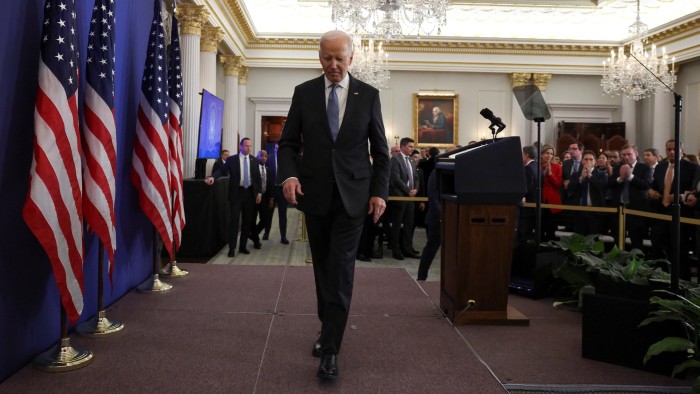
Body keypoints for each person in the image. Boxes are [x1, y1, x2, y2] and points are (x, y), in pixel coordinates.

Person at [277, 30, 390, 381]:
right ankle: (328, 331)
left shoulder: (368, 95)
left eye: (340, 58)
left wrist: (379, 193)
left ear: (352, 58)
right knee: (322, 269)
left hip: (353, 198)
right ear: (319, 57)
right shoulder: (304, 93)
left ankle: (330, 352)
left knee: (341, 270)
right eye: (327, 58)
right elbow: (287, 144)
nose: (334, 65)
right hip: (315, 195)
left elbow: (382, 153)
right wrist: (289, 177)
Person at [205, 138, 262, 257]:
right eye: (246, 146)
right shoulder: (232, 160)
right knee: (234, 221)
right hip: (237, 194)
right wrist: (213, 177)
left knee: (247, 222)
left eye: (250, 146)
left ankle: (243, 246)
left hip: (250, 194)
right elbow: (221, 170)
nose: (249, 148)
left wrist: (259, 193)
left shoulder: (254, 160)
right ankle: (232, 248)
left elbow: (257, 178)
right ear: (241, 146)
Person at [389, 138, 420, 260]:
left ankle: (407, 249)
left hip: (411, 198)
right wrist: (408, 191)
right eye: (410, 146)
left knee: (409, 224)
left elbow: (416, 178)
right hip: (399, 196)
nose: (412, 149)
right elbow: (395, 179)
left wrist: (415, 190)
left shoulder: (412, 161)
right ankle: (396, 250)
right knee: (397, 225)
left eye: (412, 147)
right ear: (402, 147)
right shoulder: (395, 160)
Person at [266, 144, 290, 244]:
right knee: (269, 213)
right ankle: (266, 233)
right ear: (274, 149)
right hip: (271, 190)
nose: (278, 150)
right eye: (276, 148)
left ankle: (283, 236)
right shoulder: (269, 159)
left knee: (283, 214)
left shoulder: (286, 160)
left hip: (282, 190)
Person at [540, 144, 562, 241]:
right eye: (547, 153)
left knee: (551, 230)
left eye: (551, 154)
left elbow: (558, 184)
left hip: (553, 202)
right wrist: (544, 175)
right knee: (540, 229)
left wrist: (550, 174)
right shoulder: (537, 166)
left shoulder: (557, 167)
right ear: (541, 154)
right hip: (540, 200)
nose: (549, 156)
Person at [252, 150, 273, 248]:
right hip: (253, 197)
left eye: (265, 156)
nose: (263, 158)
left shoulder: (268, 170)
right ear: (257, 157)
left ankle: (253, 235)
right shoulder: (254, 169)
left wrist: (271, 199)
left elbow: (270, 185)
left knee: (265, 219)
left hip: (264, 197)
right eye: (261, 156)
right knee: (252, 219)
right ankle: (256, 241)